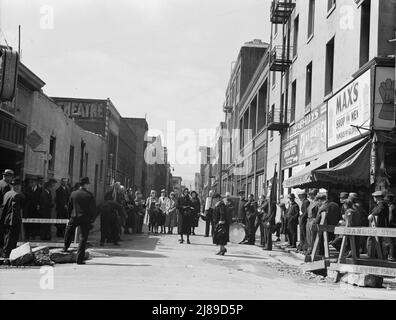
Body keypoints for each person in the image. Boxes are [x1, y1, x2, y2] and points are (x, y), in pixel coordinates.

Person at [63, 177, 96, 264]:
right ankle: (79, 259)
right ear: (85, 184)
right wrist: (91, 220)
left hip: (74, 216)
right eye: (88, 184)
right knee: (83, 238)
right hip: (85, 218)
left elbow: (69, 206)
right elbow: (93, 209)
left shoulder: (73, 193)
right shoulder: (89, 195)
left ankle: (65, 248)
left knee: (68, 231)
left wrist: (69, 216)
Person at [1, 177, 24, 262]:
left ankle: (5, 257)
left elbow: (4, 207)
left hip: (6, 220)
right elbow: (15, 211)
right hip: (13, 222)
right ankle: (7, 258)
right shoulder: (16, 195)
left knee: (6, 240)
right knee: (11, 241)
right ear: (18, 186)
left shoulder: (7, 194)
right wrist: (17, 222)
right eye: (19, 186)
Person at [367, 191, 389, 259]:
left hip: (379, 226)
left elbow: (379, 210)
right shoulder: (379, 204)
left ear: (377, 197)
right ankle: (377, 255)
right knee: (377, 241)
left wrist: (372, 215)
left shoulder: (381, 204)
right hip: (377, 226)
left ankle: (375, 256)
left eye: (374, 197)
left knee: (376, 241)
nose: (374, 198)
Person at [23, 176, 41, 240]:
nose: (31, 183)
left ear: (36, 182)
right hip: (29, 209)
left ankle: (33, 235)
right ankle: (27, 235)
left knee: (34, 223)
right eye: (31, 182)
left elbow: (41, 199)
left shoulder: (40, 189)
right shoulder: (27, 189)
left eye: (33, 182)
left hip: (36, 209)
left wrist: (39, 205)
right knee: (28, 223)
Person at [0, 169, 14, 250]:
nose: (12, 179)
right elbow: (6, 202)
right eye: (11, 177)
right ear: (8, 177)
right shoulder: (6, 186)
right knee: (3, 231)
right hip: (2, 212)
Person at [305, 189, 319, 254]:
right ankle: (309, 248)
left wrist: (315, 220)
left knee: (312, 236)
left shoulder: (317, 203)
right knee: (308, 236)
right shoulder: (311, 202)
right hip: (309, 220)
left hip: (313, 220)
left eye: (311, 194)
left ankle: (313, 250)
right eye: (309, 195)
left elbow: (318, 213)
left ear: (315, 195)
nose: (310, 196)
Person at [385, 193, 396, 261]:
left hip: (391, 226)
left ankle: (392, 256)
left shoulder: (391, 207)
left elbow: (390, 218)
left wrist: (388, 225)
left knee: (391, 242)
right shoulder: (394, 205)